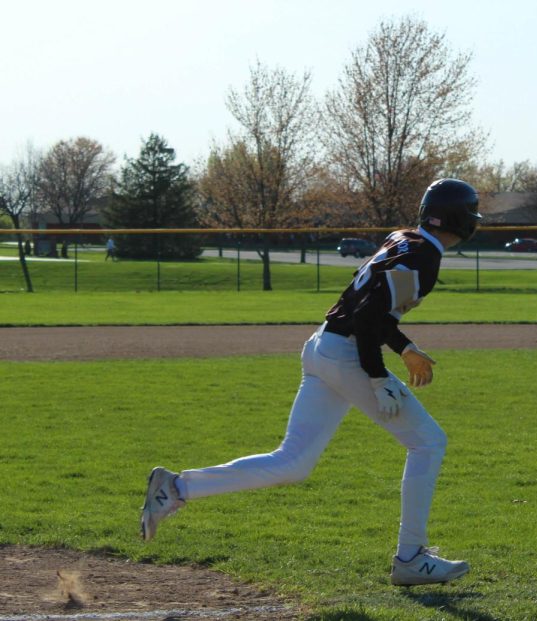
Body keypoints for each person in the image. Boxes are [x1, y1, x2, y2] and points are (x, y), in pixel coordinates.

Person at [140, 178, 482, 586]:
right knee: (429, 441)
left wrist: (404, 347)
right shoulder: (424, 256)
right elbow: (368, 318)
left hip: (323, 346)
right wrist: (377, 376)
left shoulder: (404, 238)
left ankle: (175, 489)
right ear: (463, 218)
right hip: (347, 354)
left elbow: (371, 309)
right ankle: (410, 557)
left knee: (293, 462)